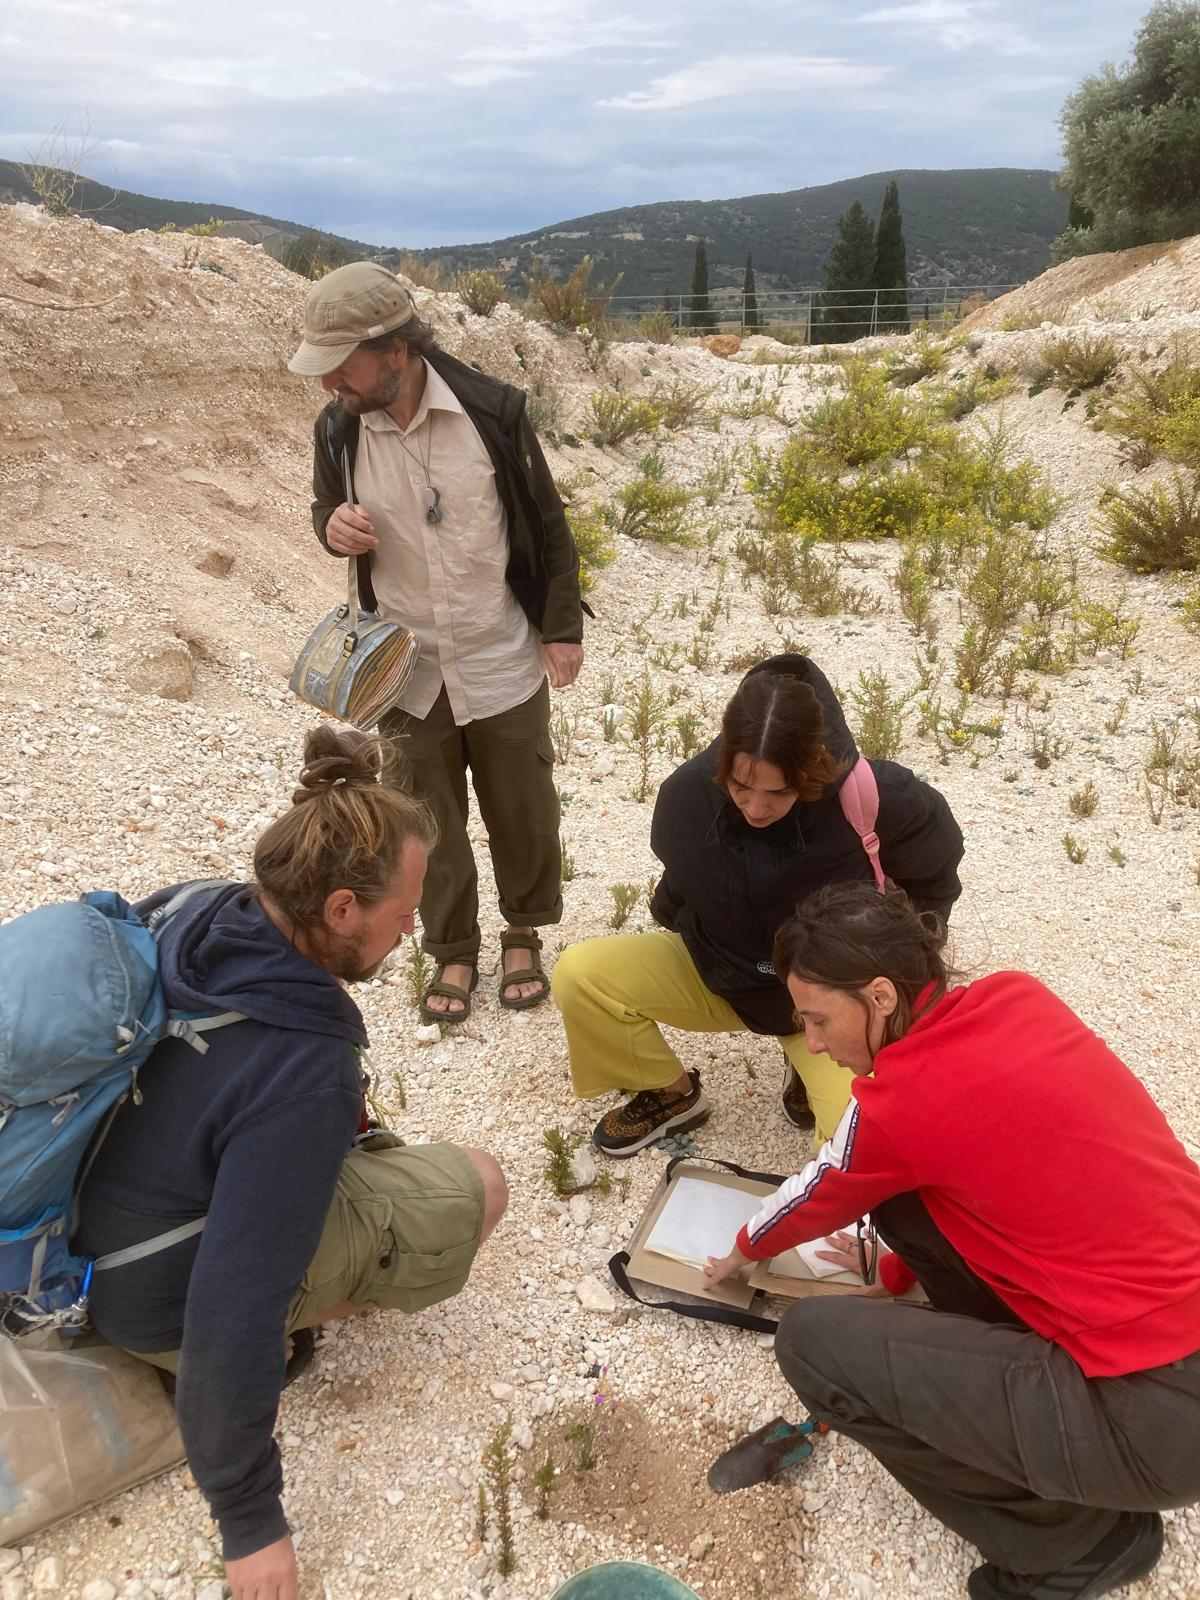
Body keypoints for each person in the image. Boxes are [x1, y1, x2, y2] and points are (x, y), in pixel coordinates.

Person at [75, 727, 509, 1600]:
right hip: (154, 1304)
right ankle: (284, 1336)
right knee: (481, 1184)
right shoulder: (304, 1068)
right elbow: (236, 1297)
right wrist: (249, 1522)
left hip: (77, 1226)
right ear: (342, 909)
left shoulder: (199, 908)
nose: (412, 930)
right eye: (403, 912)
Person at [705, 882, 1200, 1600]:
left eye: (817, 1020)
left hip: (1158, 1415)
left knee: (812, 1344)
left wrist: (740, 1250)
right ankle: (1054, 1443)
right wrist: (898, 1274)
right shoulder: (1015, 997)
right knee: (905, 1201)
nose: (811, 1043)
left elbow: (822, 1186)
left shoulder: (904, 1098)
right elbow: (1011, 1177)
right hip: (1172, 1354)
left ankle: (1081, 1545)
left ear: (879, 997)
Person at [289, 261, 588, 1023]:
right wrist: (332, 526)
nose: (329, 383)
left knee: (523, 808)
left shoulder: (493, 411)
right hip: (403, 669)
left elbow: (545, 521)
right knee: (425, 822)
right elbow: (326, 507)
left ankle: (523, 933)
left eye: (342, 365)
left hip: (498, 651)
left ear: (395, 349)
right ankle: (453, 947)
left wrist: (561, 628)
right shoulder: (338, 428)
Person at [551, 655, 964, 1156]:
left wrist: (897, 967)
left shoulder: (879, 797)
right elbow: (679, 886)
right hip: (723, 973)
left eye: (778, 791)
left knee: (857, 1135)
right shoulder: (686, 796)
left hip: (824, 1000)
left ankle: (809, 1060)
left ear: (811, 771)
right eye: (741, 787)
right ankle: (669, 1093)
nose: (756, 808)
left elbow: (933, 879)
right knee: (581, 976)